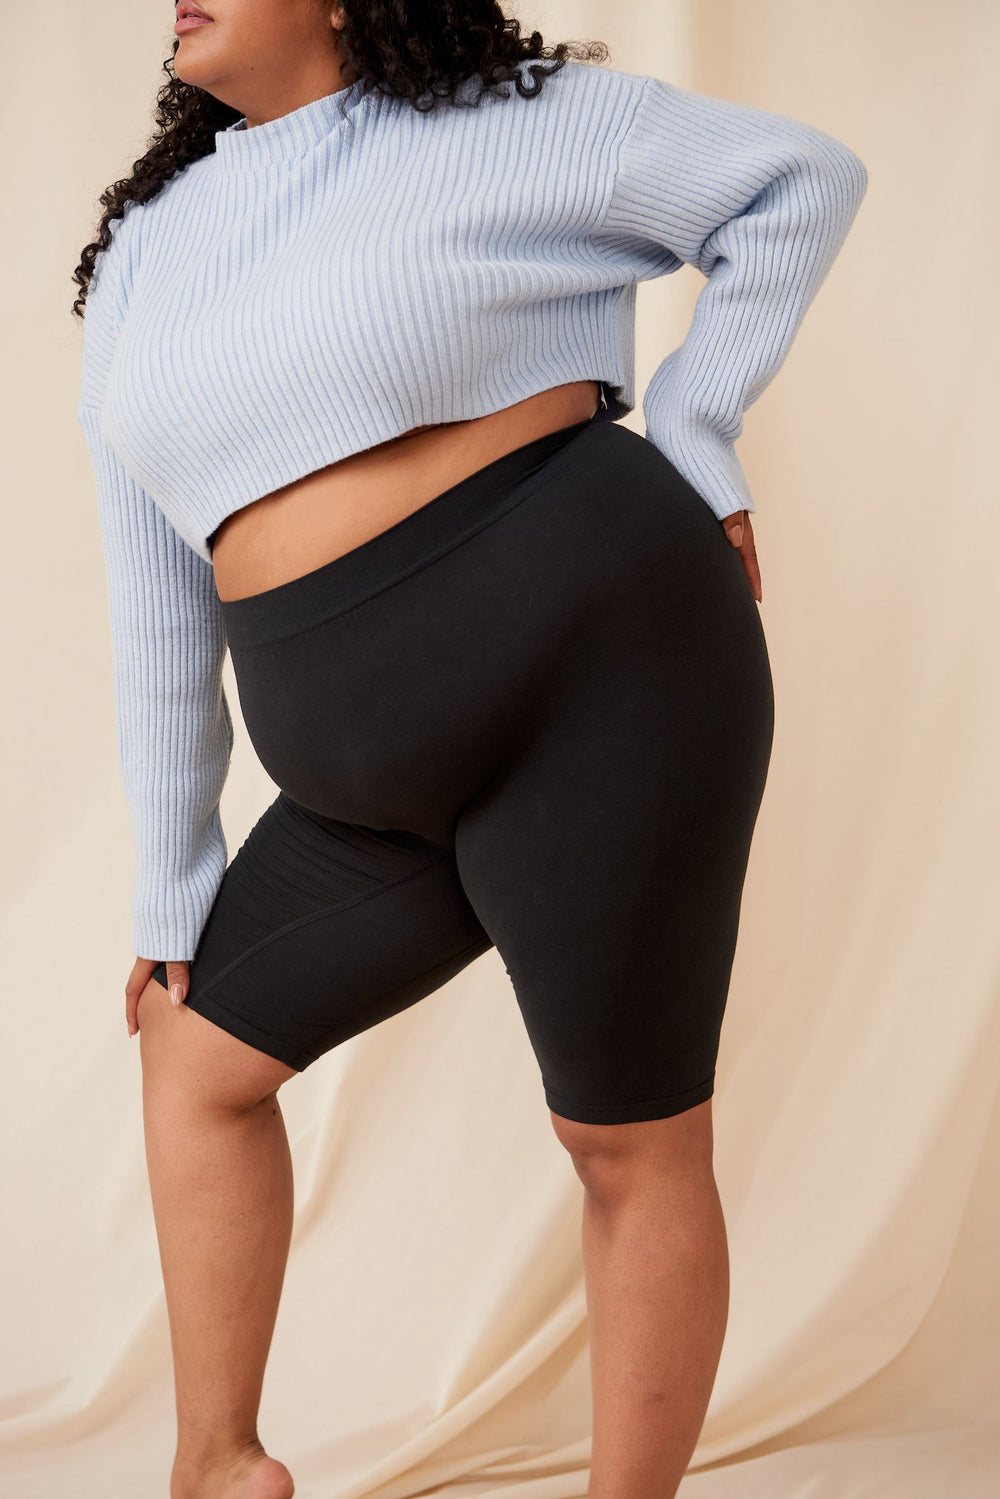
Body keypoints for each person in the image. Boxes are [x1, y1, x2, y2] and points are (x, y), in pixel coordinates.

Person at [71, 4, 868, 1496]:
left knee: (625, 1143)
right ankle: (218, 1468)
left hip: (607, 676)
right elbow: (153, 586)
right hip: (361, 775)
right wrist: (173, 870)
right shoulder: (144, 255)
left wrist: (698, 421)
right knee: (194, 1055)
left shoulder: (517, 119)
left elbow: (799, 177)